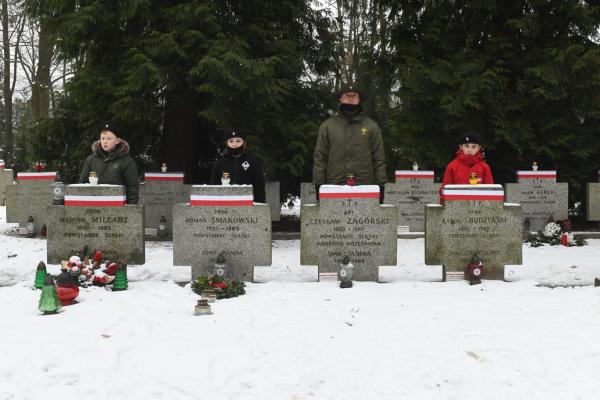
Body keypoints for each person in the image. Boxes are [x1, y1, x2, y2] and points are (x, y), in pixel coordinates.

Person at [313, 84, 387, 201]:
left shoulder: (371, 126)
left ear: (359, 99)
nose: (351, 98)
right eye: (347, 96)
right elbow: (320, 158)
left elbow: (379, 158)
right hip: (334, 186)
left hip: (364, 186)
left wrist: (381, 185)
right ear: (340, 99)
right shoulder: (327, 126)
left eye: (354, 96)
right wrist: (319, 184)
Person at [79, 123, 139, 204]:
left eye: (109, 139)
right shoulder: (91, 159)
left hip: (117, 206)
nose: (105, 142)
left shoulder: (127, 161)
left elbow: (132, 188)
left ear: (117, 141)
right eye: (102, 138)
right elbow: (83, 183)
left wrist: (132, 208)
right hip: (93, 204)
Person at [210, 131, 266, 203]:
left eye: (238, 141)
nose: (234, 144)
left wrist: (259, 206)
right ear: (227, 143)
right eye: (231, 141)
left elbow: (259, 187)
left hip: (248, 205)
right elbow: (214, 186)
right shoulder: (220, 163)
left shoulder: (253, 162)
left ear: (244, 143)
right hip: (224, 205)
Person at [440, 132, 494, 200]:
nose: (470, 150)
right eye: (466, 146)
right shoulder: (452, 166)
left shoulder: (485, 167)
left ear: (478, 148)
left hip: (478, 207)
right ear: (461, 147)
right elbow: (445, 190)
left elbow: (491, 191)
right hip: (457, 205)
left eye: (473, 146)